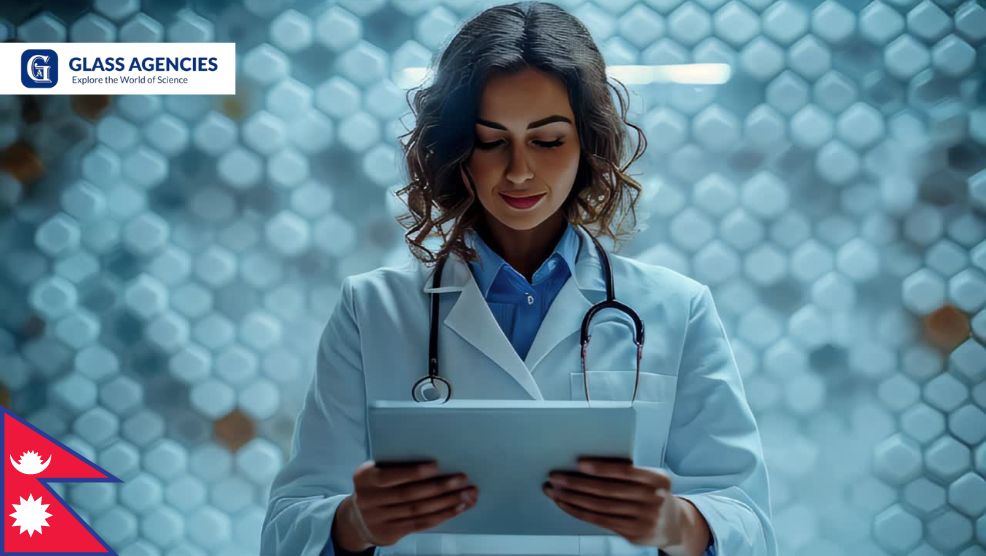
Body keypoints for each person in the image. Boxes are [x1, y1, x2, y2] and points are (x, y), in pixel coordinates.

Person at [261, 2, 776, 555]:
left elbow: (748, 518)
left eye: (548, 141)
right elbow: (288, 525)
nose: (520, 170)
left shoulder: (679, 308)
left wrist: (678, 525)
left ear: (588, 146)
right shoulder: (372, 311)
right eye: (491, 141)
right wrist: (356, 523)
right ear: (457, 149)